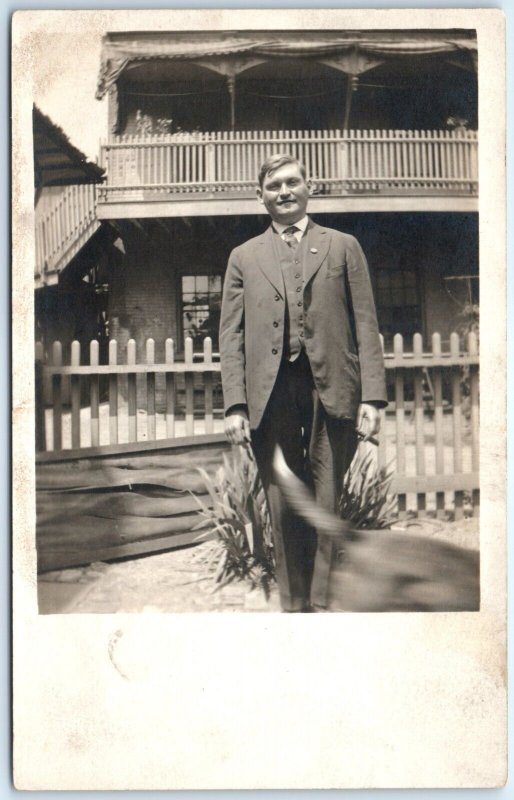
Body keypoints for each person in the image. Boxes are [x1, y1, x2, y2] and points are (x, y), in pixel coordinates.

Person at [219, 154, 387, 612]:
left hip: (331, 388)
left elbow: (366, 324)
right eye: (274, 185)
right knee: (281, 499)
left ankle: (323, 604)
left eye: (293, 182)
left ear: (309, 187)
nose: (284, 191)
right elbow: (230, 336)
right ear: (261, 196)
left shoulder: (343, 246)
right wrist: (236, 404)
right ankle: (293, 608)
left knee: (327, 498)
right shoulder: (243, 257)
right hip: (269, 395)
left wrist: (372, 397)